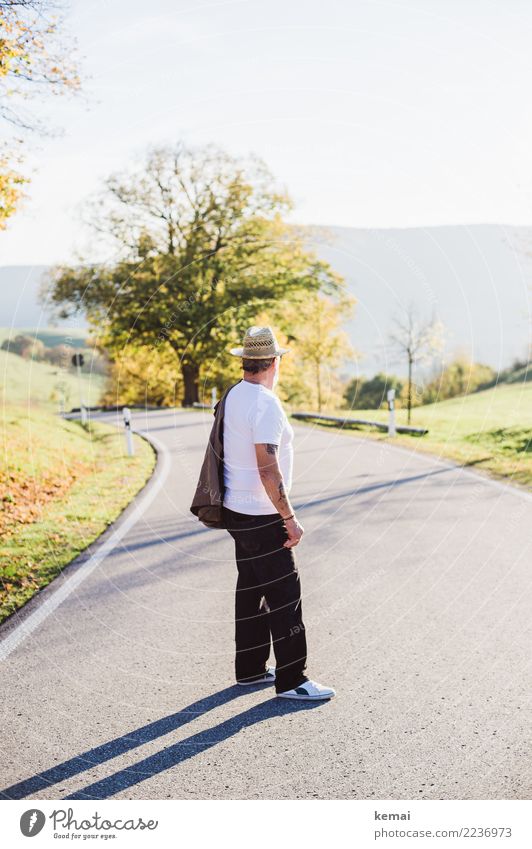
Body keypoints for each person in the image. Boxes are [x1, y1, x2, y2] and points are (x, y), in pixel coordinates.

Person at [222, 325, 336, 701]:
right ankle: (292, 680)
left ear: (246, 362)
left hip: (236, 511)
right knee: (285, 595)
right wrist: (288, 516)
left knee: (251, 589)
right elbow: (267, 467)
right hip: (263, 514)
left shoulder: (233, 395)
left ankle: (251, 669)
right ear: (273, 363)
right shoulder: (265, 403)